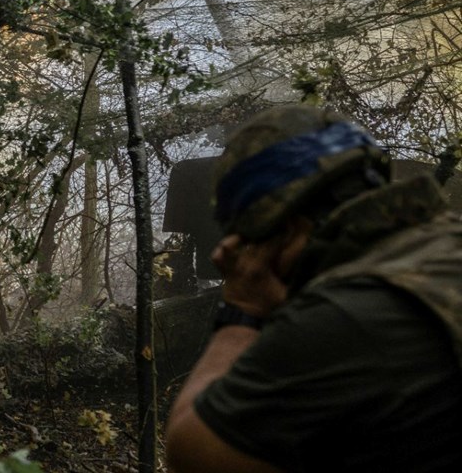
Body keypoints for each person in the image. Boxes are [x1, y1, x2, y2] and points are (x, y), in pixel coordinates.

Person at [165, 105, 462, 472]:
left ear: (281, 230)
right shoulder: (443, 248)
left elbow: (194, 452)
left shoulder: (343, 316)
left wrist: (242, 309)